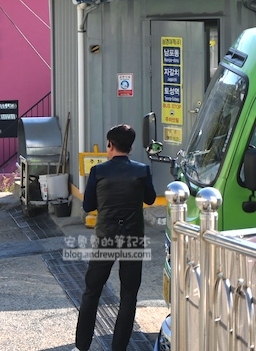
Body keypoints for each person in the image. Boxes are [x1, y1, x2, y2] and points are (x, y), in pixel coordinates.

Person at [73, 124, 157, 351]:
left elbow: (89, 205)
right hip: (133, 238)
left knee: (92, 291)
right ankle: (118, 348)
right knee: (128, 296)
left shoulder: (99, 172)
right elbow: (150, 199)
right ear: (130, 147)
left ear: (110, 145)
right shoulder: (142, 170)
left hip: (107, 238)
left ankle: (82, 346)